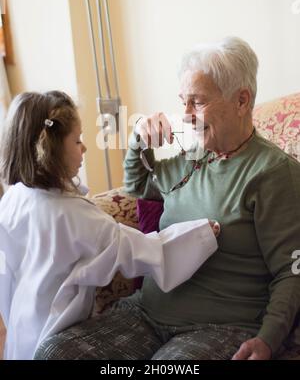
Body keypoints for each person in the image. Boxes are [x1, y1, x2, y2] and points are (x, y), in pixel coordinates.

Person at [34, 37, 300, 361]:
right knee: (55, 352)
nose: (185, 114)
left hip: (220, 326)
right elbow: (137, 185)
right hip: (145, 313)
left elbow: (291, 270)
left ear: (241, 101)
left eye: (197, 102)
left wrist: (268, 339)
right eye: (182, 101)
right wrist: (138, 140)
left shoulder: (273, 173)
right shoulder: (191, 157)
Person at [0, 91, 220, 360]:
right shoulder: (72, 214)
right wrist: (200, 235)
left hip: (20, 332)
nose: (84, 148)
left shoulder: (12, 199)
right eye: (78, 140)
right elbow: (139, 250)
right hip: (56, 334)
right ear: (51, 147)